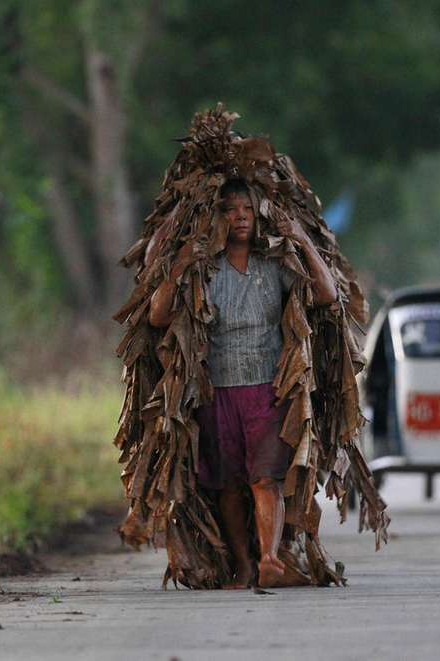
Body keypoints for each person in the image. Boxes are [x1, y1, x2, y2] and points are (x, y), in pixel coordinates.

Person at [148, 178, 338, 588]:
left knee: (265, 478)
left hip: (268, 389)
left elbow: (325, 294)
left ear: (260, 216)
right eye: (230, 209)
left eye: (248, 210)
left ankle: (270, 559)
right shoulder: (205, 269)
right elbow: (158, 316)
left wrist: (300, 239)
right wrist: (180, 263)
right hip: (216, 390)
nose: (240, 218)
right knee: (229, 485)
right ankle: (245, 565)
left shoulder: (274, 265)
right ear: (214, 217)